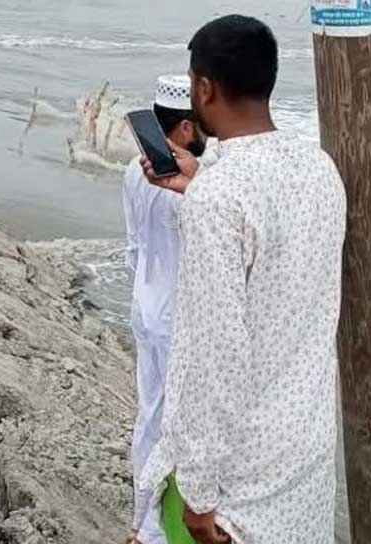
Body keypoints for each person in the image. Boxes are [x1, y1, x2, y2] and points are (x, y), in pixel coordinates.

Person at [139, 15, 347, 544]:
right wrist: (199, 182)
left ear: (204, 89)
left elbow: (214, 354)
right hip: (304, 450)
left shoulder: (218, 199)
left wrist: (199, 496)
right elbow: (275, 243)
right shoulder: (318, 168)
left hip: (239, 478)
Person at [122, 75, 209, 544]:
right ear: (182, 129)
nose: (205, 134)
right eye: (198, 125)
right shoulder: (193, 184)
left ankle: (139, 523)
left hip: (146, 309)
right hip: (179, 321)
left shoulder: (132, 172)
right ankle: (159, 531)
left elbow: (134, 247)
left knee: (149, 417)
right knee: (180, 430)